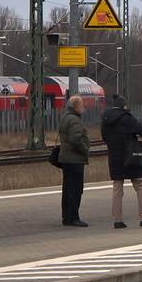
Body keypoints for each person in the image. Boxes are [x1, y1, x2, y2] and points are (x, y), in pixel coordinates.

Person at [100, 94, 142, 228]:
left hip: (114, 157)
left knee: (117, 188)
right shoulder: (127, 118)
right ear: (124, 106)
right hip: (131, 156)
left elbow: (105, 138)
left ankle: (117, 220)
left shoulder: (105, 119)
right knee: (140, 185)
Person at [57, 95, 90, 227]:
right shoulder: (75, 119)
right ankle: (73, 217)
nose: (83, 107)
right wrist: (85, 150)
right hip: (74, 159)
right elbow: (75, 139)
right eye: (82, 105)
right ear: (77, 106)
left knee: (67, 188)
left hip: (66, 158)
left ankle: (66, 216)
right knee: (76, 189)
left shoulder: (65, 117)